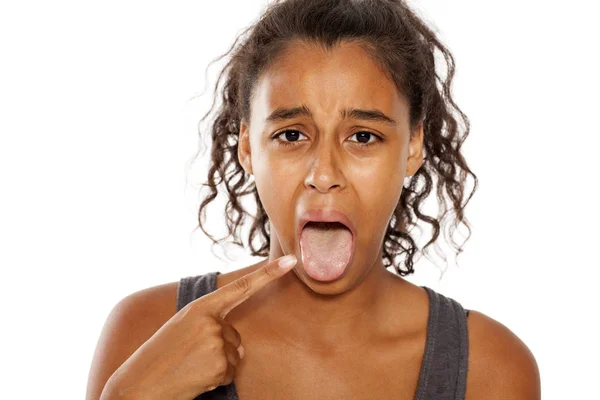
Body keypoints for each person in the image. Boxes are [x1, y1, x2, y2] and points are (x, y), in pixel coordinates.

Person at [86, 0, 541, 399]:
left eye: (363, 136)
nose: (324, 175)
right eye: (291, 135)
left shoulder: (489, 367)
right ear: (247, 147)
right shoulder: (146, 331)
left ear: (413, 148)